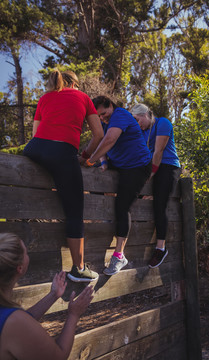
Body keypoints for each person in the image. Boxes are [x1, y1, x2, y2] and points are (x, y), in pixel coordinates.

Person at [23, 70, 104, 282]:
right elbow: (99, 135)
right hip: (63, 151)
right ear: (74, 84)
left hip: (34, 149)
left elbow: (36, 134)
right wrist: (85, 157)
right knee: (75, 212)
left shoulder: (45, 97)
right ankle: (78, 269)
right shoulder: (84, 98)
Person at [0, 232, 94, 360]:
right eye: (26, 252)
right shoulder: (14, 321)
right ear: (20, 268)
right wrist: (74, 315)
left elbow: (22, 321)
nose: (28, 255)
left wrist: (53, 295)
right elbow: (58, 356)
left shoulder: (11, 318)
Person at [90, 96, 152, 276]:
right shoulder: (103, 122)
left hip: (138, 166)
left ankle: (119, 256)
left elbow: (109, 140)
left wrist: (89, 158)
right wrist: (101, 161)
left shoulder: (120, 114)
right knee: (93, 173)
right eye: (99, 116)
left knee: (122, 206)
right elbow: (101, 141)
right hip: (121, 164)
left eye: (103, 113)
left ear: (111, 105)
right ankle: (105, 219)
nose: (102, 118)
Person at [130, 104, 181, 268]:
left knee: (160, 204)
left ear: (146, 114)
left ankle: (161, 247)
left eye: (138, 120)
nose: (138, 124)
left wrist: (150, 175)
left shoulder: (163, 123)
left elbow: (158, 152)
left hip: (167, 166)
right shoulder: (142, 132)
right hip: (150, 166)